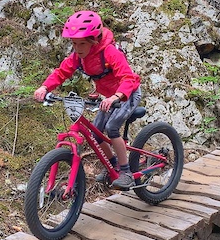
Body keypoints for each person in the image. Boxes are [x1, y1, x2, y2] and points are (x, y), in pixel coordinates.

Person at [34, 10, 142, 190]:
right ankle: (113, 165)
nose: (78, 48)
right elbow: (62, 72)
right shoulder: (78, 57)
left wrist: (117, 96)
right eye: (74, 43)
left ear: (94, 40)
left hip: (127, 94)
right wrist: (45, 87)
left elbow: (128, 78)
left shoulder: (109, 52)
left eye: (82, 43)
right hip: (107, 97)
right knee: (95, 133)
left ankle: (126, 172)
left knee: (112, 127)